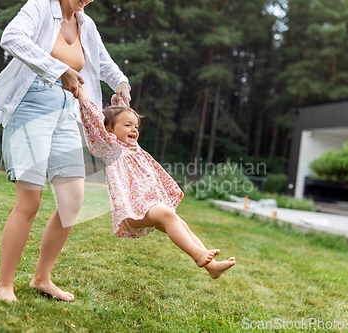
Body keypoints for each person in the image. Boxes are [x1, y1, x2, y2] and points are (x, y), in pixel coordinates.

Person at [0, 0, 131, 302]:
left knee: (72, 201)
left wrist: (121, 83)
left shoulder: (86, 24)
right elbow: (12, 37)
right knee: (30, 199)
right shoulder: (41, 6)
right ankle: (4, 285)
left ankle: (42, 278)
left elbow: (103, 62)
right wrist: (58, 68)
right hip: (31, 106)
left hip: (69, 111)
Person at [76, 85, 236, 278]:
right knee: (169, 215)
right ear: (109, 130)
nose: (134, 129)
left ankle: (213, 267)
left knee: (181, 224)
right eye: (128, 126)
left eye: (136, 126)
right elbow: (94, 118)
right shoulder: (111, 147)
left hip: (148, 206)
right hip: (133, 211)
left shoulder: (133, 147)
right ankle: (198, 255)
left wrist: (121, 98)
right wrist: (81, 92)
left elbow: (120, 114)